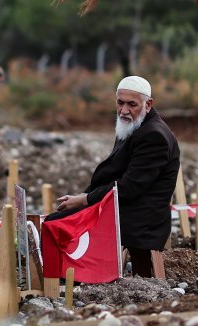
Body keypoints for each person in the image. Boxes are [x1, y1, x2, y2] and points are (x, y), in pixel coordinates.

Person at [48, 75, 179, 278]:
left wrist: (84, 200)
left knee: (58, 226)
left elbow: (128, 187)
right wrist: (83, 198)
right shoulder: (133, 125)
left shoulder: (154, 136)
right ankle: (67, 279)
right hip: (122, 207)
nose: (124, 110)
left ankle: (71, 280)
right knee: (56, 221)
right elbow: (112, 174)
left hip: (139, 220)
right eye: (120, 103)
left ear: (148, 104)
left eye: (131, 104)